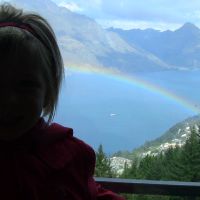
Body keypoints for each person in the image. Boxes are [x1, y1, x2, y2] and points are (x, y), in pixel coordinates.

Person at [0, 3, 125, 200]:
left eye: (26, 85)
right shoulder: (64, 156)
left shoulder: (69, 158)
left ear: (48, 91)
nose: (8, 100)